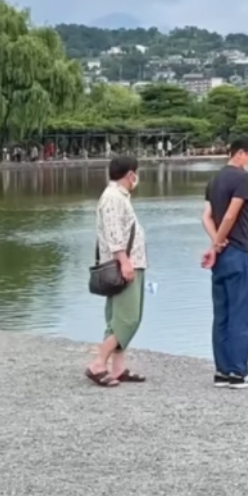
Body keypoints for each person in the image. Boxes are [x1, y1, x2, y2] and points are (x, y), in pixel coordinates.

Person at [201, 134, 248, 388]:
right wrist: (218, 242)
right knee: (241, 313)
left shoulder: (215, 179)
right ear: (240, 153)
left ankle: (223, 371)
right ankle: (239, 372)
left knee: (222, 314)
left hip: (221, 257)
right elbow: (230, 216)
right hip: (239, 252)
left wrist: (215, 244)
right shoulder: (240, 178)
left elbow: (206, 217)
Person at [86, 154, 147, 387]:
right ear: (130, 174)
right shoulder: (113, 197)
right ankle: (98, 363)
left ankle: (118, 368)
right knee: (127, 318)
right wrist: (124, 261)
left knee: (119, 318)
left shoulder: (119, 196)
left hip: (130, 263)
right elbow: (114, 234)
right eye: (135, 173)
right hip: (124, 265)